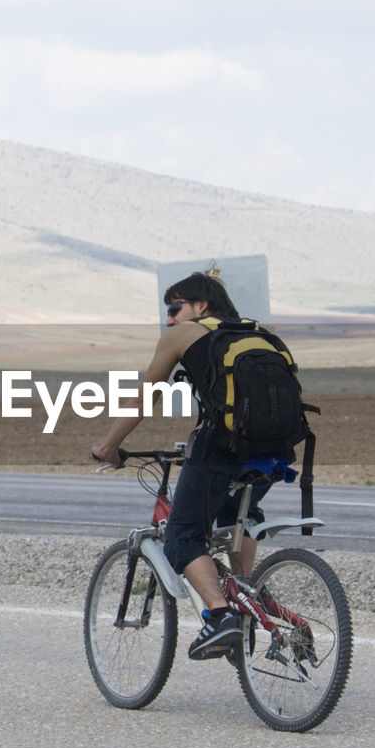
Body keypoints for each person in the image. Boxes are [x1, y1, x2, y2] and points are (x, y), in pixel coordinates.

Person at [90, 271, 273, 660]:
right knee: (238, 515)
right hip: (276, 449)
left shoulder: (181, 336)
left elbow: (146, 396)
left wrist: (110, 445)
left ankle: (221, 617)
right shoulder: (258, 332)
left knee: (182, 536)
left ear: (200, 306)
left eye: (175, 309)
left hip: (222, 447)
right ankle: (245, 600)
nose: (169, 319)